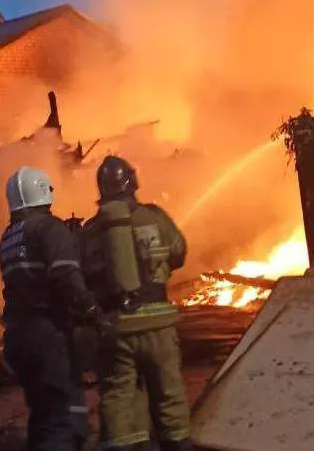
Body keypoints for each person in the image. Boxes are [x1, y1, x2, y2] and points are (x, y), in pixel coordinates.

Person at [80, 155, 193, 451]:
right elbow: (179, 253)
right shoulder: (154, 217)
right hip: (158, 324)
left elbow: (83, 276)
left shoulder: (92, 231)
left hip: (117, 328)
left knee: (119, 400)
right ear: (132, 181)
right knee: (170, 398)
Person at [0, 166, 109, 451]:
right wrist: (94, 311)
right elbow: (65, 276)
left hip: (17, 338)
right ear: (45, 193)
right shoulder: (48, 227)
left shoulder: (9, 237)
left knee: (43, 414)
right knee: (61, 417)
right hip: (46, 334)